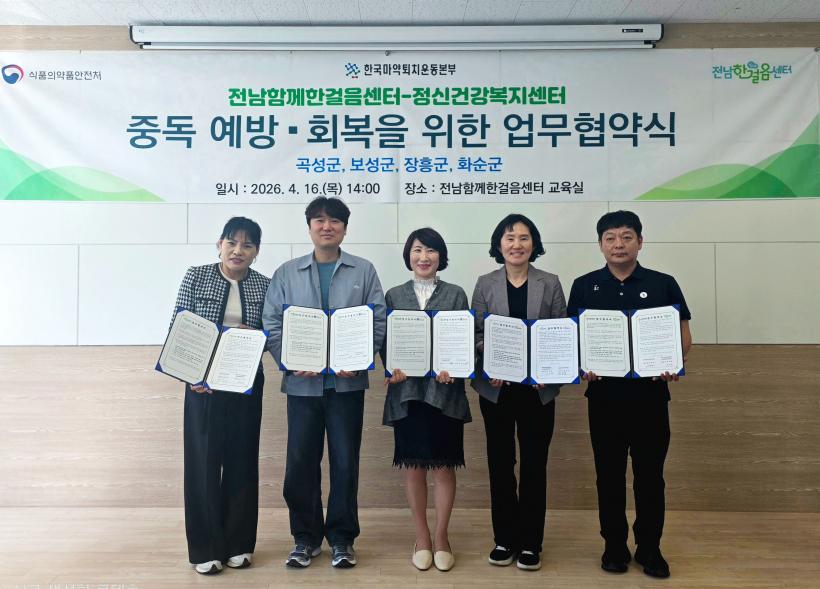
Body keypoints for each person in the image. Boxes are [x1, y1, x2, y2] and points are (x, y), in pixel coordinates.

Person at [566, 210, 692, 579]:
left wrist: (673, 361)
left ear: (640, 241)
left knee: (650, 477)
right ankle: (614, 546)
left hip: (651, 398)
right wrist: (581, 364)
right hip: (604, 399)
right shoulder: (584, 286)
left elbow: (683, 334)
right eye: (610, 238)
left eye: (626, 236)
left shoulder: (663, 284)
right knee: (608, 476)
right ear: (600, 244)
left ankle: (650, 548)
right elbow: (573, 338)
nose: (618, 244)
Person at [262, 197, 386, 569]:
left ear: (345, 228)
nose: (326, 226)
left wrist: (360, 359)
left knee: (345, 464)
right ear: (310, 227)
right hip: (302, 388)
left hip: (346, 388)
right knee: (301, 463)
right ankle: (305, 539)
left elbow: (378, 321)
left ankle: (343, 540)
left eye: (334, 221)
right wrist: (291, 361)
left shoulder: (363, 270)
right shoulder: (287, 273)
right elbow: (272, 323)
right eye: (319, 220)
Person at [170, 216, 270, 575]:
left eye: (247, 245)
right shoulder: (196, 276)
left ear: (256, 252)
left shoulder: (264, 285)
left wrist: (251, 334)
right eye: (232, 242)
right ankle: (205, 548)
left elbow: (271, 334)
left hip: (245, 384)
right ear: (220, 245)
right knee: (203, 464)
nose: (238, 250)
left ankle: (239, 544)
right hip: (203, 385)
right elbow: (178, 325)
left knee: (242, 460)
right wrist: (191, 374)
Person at [471, 214, 567, 571]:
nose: (517, 244)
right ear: (499, 245)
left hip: (537, 392)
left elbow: (560, 333)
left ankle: (530, 543)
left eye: (524, 238)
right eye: (510, 238)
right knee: (500, 465)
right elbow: (476, 333)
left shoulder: (550, 282)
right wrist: (491, 360)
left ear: (534, 244)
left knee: (534, 466)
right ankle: (504, 539)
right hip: (496, 390)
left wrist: (549, 370)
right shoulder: (485, 283)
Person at [381, 228, 471, 572]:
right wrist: (392, 368)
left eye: (431, 251)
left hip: (444, 394)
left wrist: (455, 369)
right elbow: (386, 343)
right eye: (417, 250)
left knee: (444, 466)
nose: (424, 257)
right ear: (408, 255)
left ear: (441, 257)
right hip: (407, 394)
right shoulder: (394, 295)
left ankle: (442, 536)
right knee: (414, 466)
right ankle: (421, 537)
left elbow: (463, 341)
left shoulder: (456, 294)